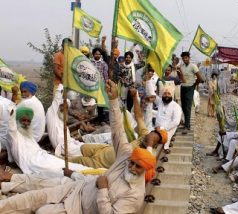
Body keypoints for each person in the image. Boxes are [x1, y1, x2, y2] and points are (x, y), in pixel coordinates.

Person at [0, 81, 157, 212]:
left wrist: (102, 191)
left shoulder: (135, 195)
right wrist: (114, 100)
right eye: (133, 162)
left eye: (137, 166)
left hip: (80, 208)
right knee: (35, 196)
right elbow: (118, 131)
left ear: (145, 170)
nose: (132, 167)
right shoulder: (126, 156)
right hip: (79, 186)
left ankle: (12, 184)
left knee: (43, 210)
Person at [68, 86, 168, 169]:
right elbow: (138, 117)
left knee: (70, 161)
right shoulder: (145, 135)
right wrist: (134, 97)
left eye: (151, 139)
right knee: (79, 148)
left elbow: (145, 166)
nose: (148, 137)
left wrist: (149, 143)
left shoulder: (149, 155)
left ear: (155, 145)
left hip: (100, 163)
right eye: (151, 134)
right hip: (102, 149)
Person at [7, 105, 90, 178]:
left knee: (65, 164)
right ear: (17, 120)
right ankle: (89, 174)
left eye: (28, 121)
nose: (26, 123)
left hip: (43, 157)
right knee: (59, 170)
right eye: (23, 120)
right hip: (34, 163)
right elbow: (11, 126)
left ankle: (92, 171)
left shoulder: (28, 133)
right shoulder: (14, 134)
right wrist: (12, 114)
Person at [180, 51, 204, 134]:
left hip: (190, 88)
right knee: (183, 105)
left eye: (186, 58)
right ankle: (186, 123)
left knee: (188, 106)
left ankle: (187, 126)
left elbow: (200, 78)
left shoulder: (193, 66)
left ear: (189, 58)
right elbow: (180, 77)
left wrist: (194, 85)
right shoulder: (181, 66)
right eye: (183, 58)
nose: (184, 59)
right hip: (183, 87)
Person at [155, 86, 182, 153]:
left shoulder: (176, 106)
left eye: (168, 93)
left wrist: (161, 128)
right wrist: (149, 80)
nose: (166, 95)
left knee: (153, 139)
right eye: (165, 93)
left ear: (172, 95)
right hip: (156, 128)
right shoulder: (160, 102)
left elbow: (176, 122)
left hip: (167, 129)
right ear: (162, 95)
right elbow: (151, 93)